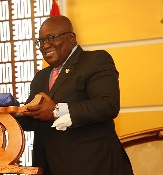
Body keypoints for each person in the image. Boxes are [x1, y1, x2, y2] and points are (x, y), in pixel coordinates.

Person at [17, 15, 133, 175]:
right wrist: (1, 109)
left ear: (71, 38)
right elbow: (33, 119)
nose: (44, 46)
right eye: (41, 41)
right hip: (50, 167)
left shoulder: (95, 60)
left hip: (93, 166)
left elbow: (108, 105)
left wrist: (57, 111)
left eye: (51, 38)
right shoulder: (41, 77)